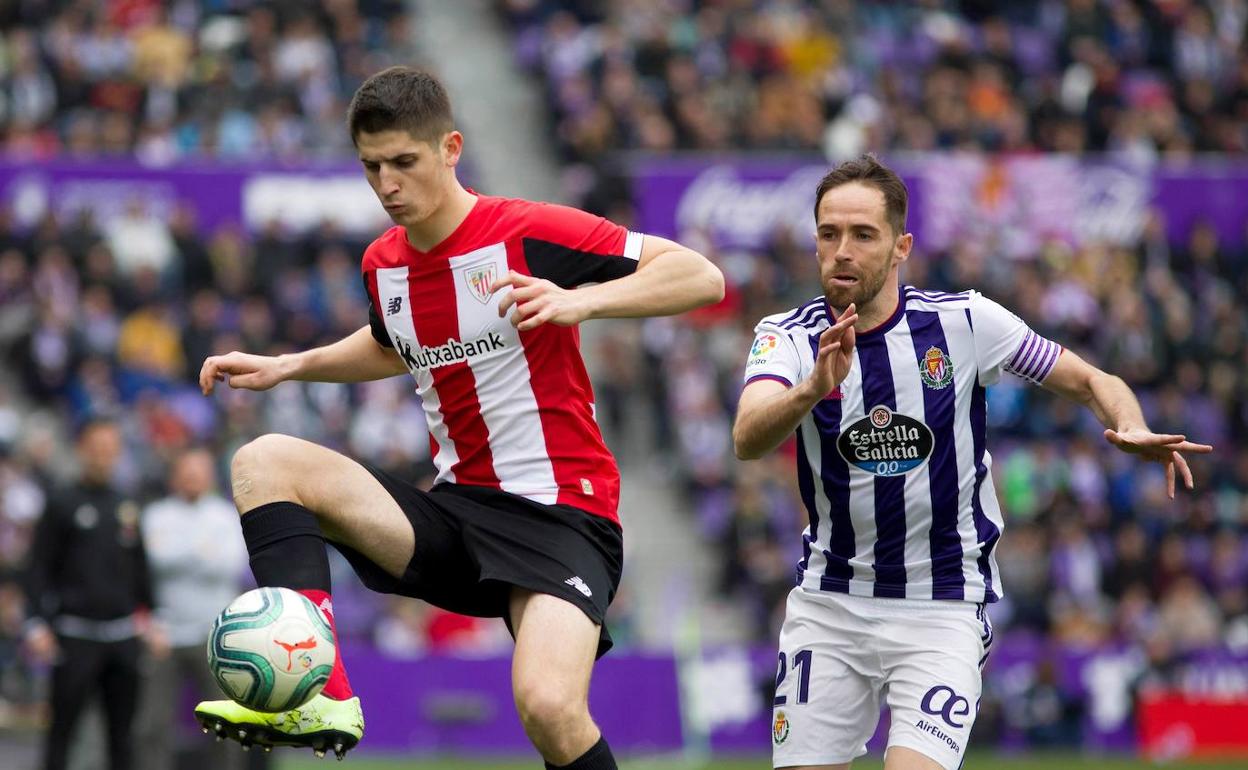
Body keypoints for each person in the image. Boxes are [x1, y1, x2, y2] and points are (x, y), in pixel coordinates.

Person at [193, 65, 723, 769]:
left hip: (561, 514)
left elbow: (701, 276)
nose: (386, 186)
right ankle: (315, 689)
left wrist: (580, 301)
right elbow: (392, 345)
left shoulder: (529, 232)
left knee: (550, 708)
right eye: (371, 167)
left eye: (403, 163)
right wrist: (290, 365)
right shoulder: (383, 262)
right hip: (456, 516)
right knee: (262, 461)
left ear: (451, 148)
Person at [732, 155, 1212, 770]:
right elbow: (747, 436)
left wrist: (1133, 424)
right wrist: (811, 389)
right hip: (830, 604)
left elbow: (1093, 378)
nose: (842, 251)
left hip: (942, 605)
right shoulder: (789, 336)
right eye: (829, 234)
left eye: (862, 234)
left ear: (901, 246)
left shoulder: (963, 322)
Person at [22, 418, 159, 770]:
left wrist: (153, 618)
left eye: (111, 448)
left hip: (122, 635)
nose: (104, 456)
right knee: (62, 734)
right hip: (74, 635)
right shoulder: (61, 502)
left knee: (122, 737)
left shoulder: (126, 504)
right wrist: (36, 624)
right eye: (97, 448)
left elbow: (140, 568)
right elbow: (38, 568)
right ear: (82, 449)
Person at [138, 446, 250, 770]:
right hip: (164, 634)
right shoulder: (157, 514)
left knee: (226, 724)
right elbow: (155, 560)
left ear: (210, 475)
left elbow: (229, 565)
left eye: (198, 471)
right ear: (175, 475)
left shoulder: (226, 515)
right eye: (187, 471)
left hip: (216, 637)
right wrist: (202, 550)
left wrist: (178, 552)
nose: (192, 478)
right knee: (152, 725)